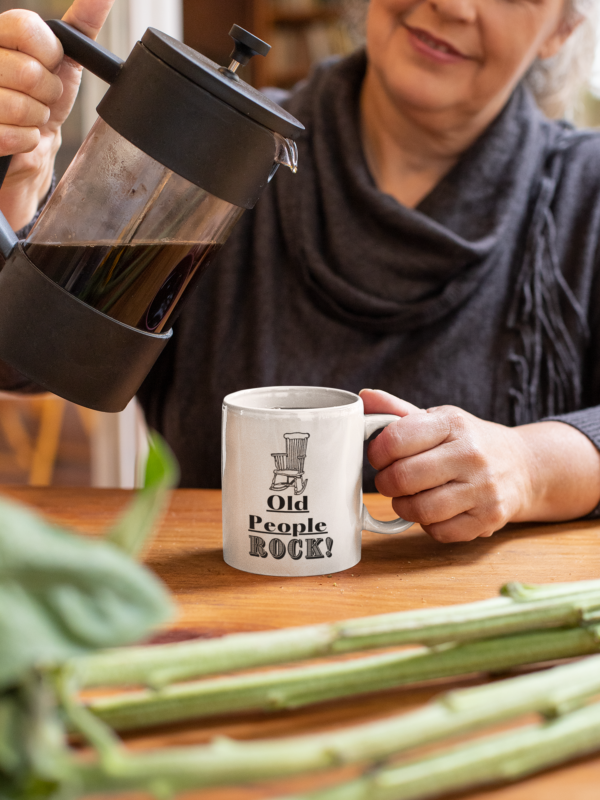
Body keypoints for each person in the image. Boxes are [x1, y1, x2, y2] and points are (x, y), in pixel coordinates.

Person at [0, 0, 599, 544]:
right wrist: (17, 197)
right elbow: (24, 354)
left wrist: (530, 465)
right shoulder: (223, 151)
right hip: (218, 620)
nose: (451, 4)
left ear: (563, 28)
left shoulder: (586, 195)